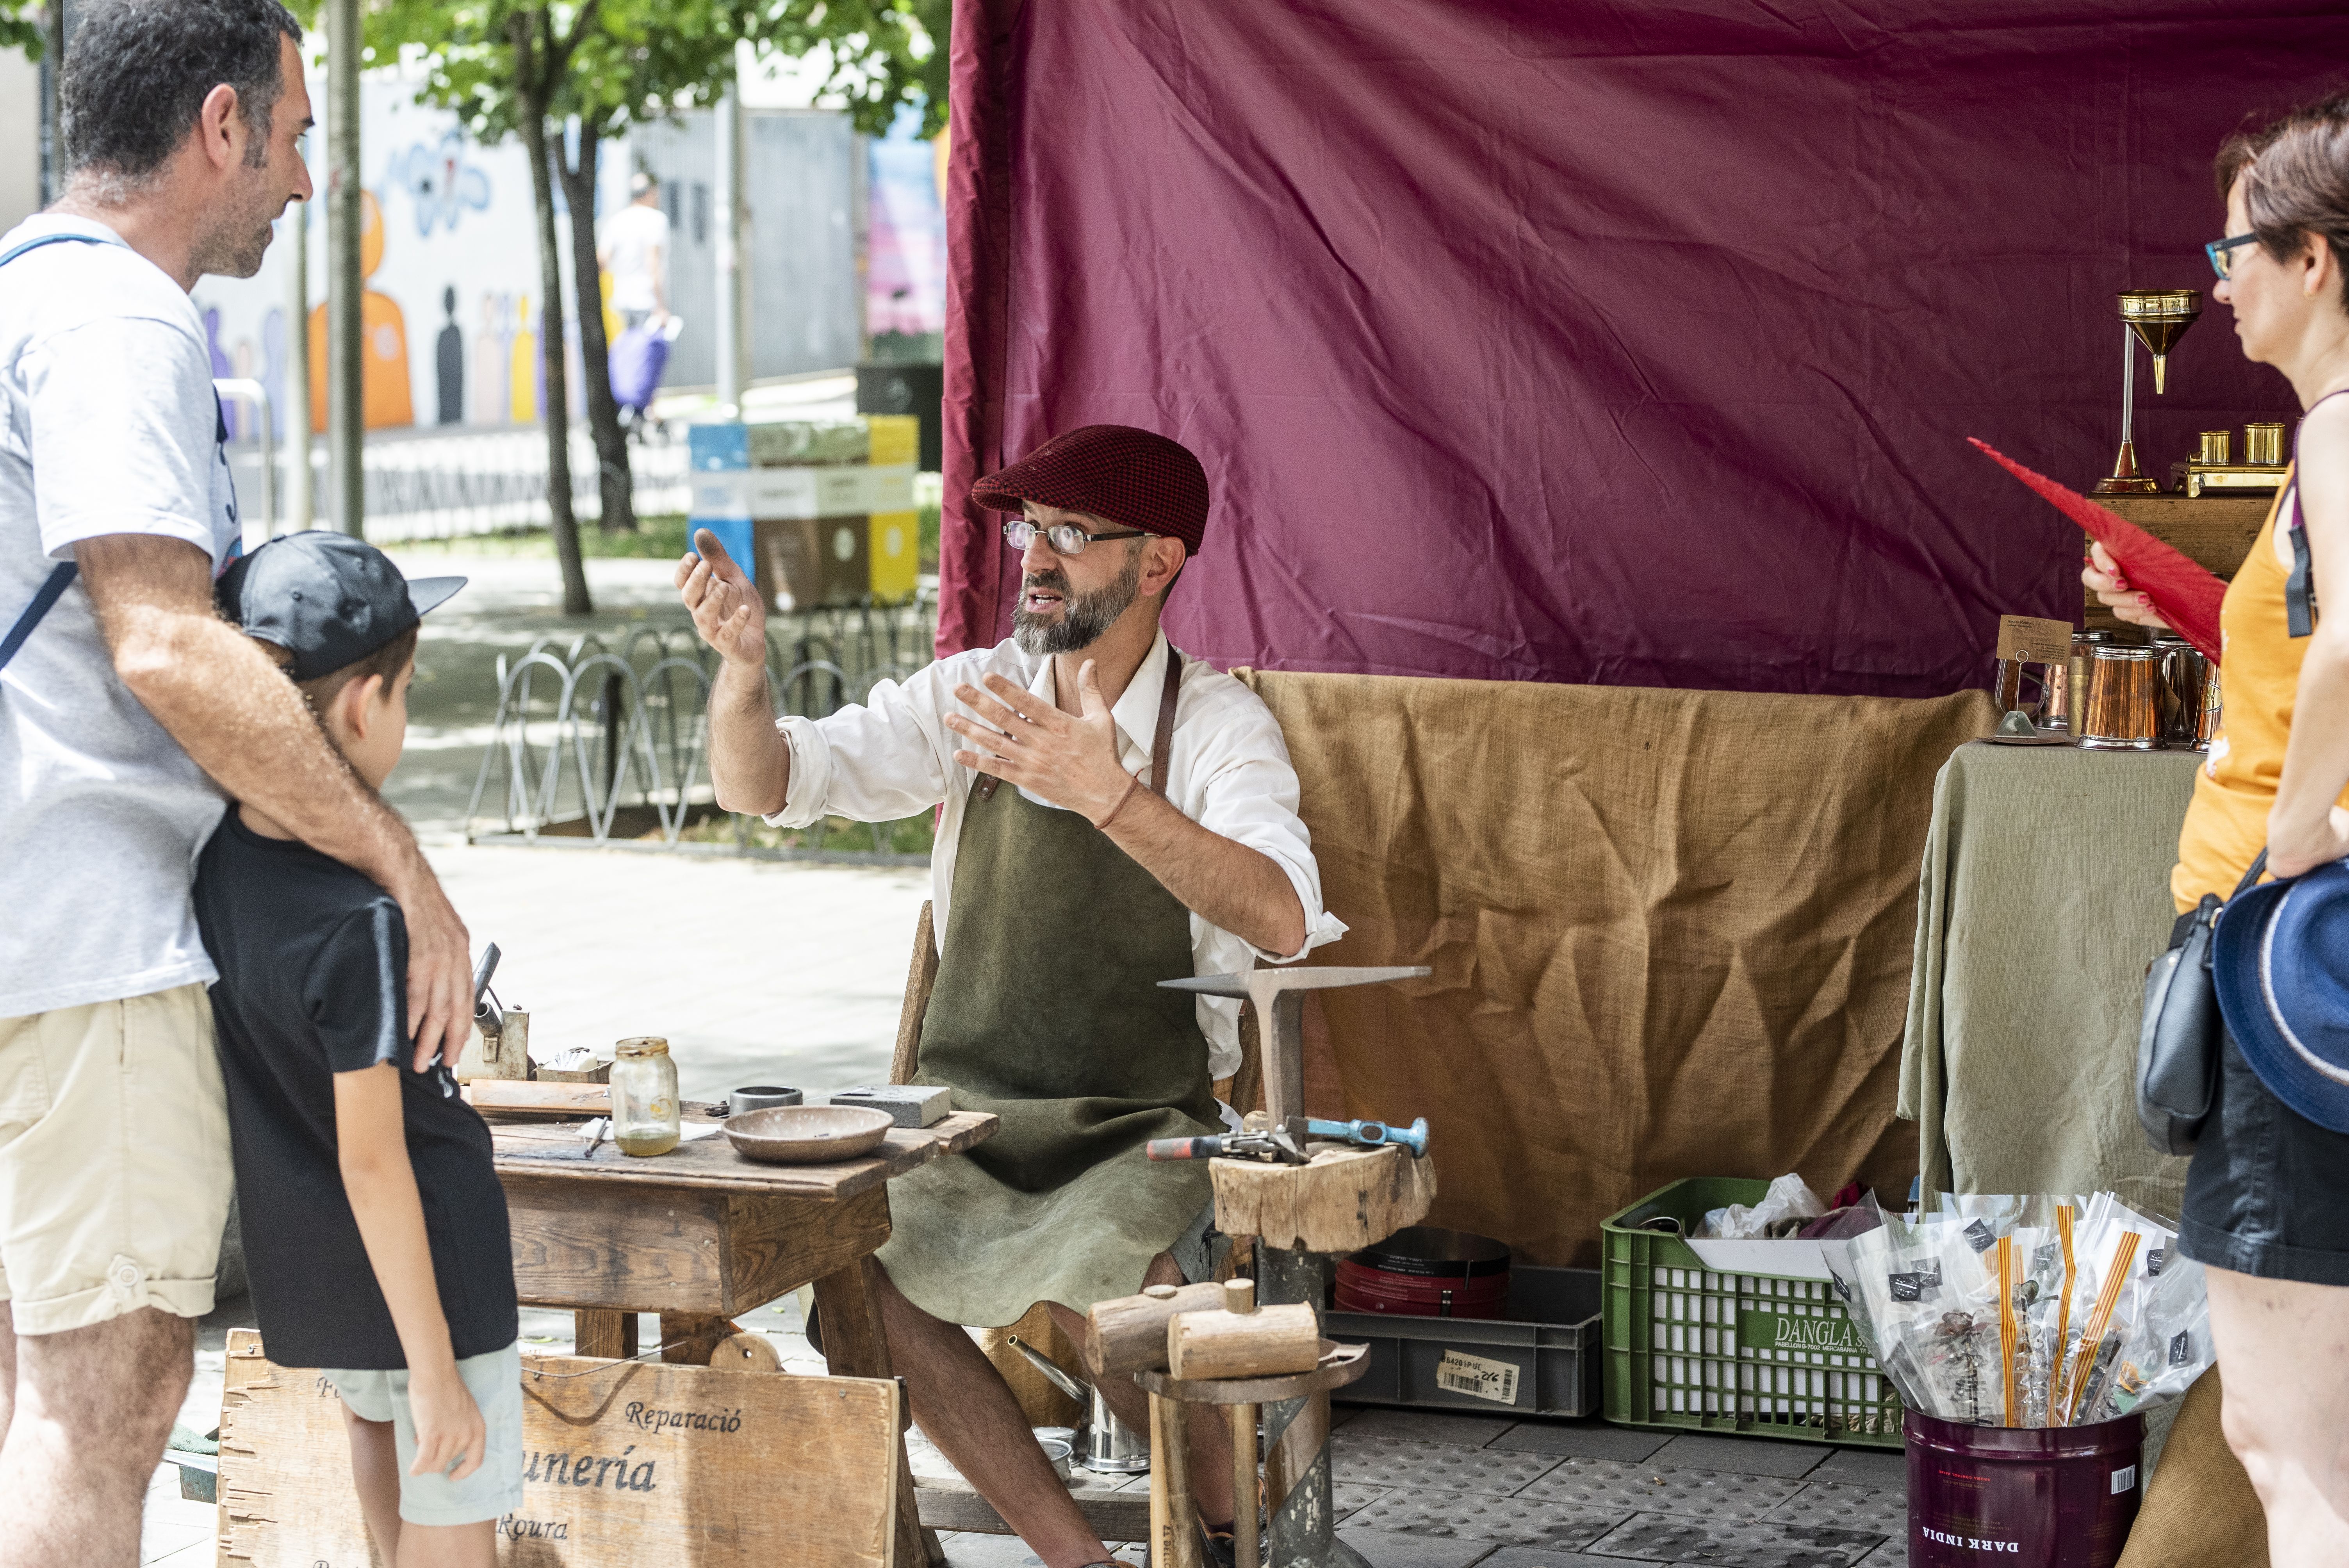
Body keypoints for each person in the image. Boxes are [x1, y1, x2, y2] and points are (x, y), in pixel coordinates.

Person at [677, 424, 1345, 1568]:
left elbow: (1281, 915)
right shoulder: (975, 697)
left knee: (1127, 1308)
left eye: (1071, 535)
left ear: (1156, 563)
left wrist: (1110, 796)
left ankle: (1241, 1542)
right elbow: (769, 783)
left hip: (1141, 1129)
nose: (1033, 557)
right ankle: (1074, 1559)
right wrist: (743, 680)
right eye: (1029, 530)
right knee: (857, 1264)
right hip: (966, 1125)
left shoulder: (1217, 728)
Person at [0, 5, 472, 1563]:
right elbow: (165, 647)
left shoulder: (17, 290)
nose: (305, 178)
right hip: (83, 935)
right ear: (222, 124)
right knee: (105, 1396)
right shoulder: (121, 319)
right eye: (301, 130)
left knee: (28, 1391)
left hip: (25, 926)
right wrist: (402, 866)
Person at [2086, 92, 2349, 1564]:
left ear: (2312, 262)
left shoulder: (2331, 427)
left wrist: (2298, 834)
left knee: (2283, 1444)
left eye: (2233, 247)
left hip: (2293, 981)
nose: (2212, 282)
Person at [196, 534, 519, 1568]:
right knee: (452, 1526)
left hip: (327, 1274)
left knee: (385, 1500)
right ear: (360, 710)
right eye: (410, 692)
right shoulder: (359, 922)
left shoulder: (221, 866)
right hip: (435, 1276)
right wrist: (438, 1366)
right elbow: (375, 1156)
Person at [599, 171, 670, 333]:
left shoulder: (616, 221)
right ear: (649, 193)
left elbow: (602, 261)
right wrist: (661, 306)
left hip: (621, 301)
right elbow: (653, 263)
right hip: (646, 300)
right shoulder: (656, 220)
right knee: (645, 354)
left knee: (628, 350)